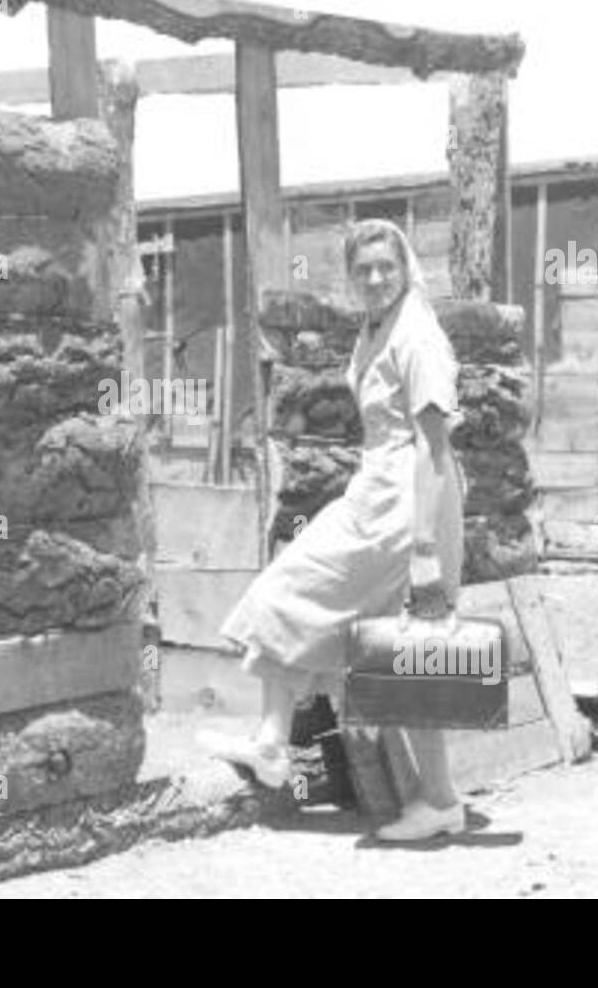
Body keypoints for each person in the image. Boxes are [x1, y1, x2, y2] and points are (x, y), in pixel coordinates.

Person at [198, 218, 468, 842]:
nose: (375, 278)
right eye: (363, 269)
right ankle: (439, 802)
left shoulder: (417, 335)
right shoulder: (378, 327)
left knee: (286, 589)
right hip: (380, 495)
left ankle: (274, 744)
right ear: (350, 276)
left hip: (403, 507)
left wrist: (425, 547)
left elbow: (434, 448)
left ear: (406, 267)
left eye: (386, 266)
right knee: (403, 649)